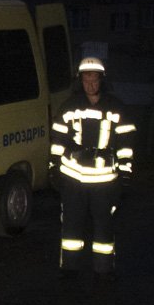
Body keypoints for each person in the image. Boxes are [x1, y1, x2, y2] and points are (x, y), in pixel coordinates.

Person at [49, 56, 136, 283]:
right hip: (73, 177)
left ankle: (104, 270)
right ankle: (69, 270)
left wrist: (126, 173)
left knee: (104, 229)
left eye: (94, 78)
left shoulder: (117, 107)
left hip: (105, 180)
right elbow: (57, 139)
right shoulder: (69, 107)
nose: (91, 84)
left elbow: (126, 143)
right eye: (86, 79)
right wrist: (53, 168)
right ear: (80, 80)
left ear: (101, 80)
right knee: (71, 227)